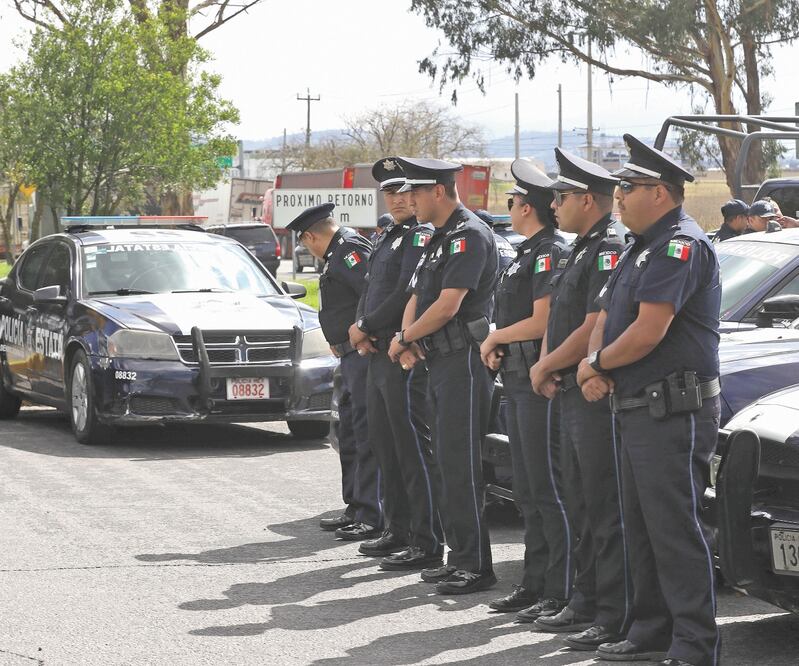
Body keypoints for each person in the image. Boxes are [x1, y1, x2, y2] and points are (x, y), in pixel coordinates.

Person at [577, 134, 721, 666]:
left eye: (628, 187)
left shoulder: (679, 245)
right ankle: (650, 631)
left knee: (676, 530)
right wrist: (595, 364)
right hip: (634, 405)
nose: (618, 196)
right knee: (639, 527)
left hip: (673, 411)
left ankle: (694, 645)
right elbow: (606, 320)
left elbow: (648, 331)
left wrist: (596, 366)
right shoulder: (638, 248)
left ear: (659, 193)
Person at [528, 149, 631, 651]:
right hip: (568, 387)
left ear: (587, 200)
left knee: (601, 506)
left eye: (562, 196)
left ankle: (610, 614)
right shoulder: (582, 247)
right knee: (580, 502)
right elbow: (559, 319)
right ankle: (585, 599)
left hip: (590, 392)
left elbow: (596, 324)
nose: (554, 204)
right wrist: (547, 364)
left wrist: (547, 364)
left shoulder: (608, 247)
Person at [387, 156, 498, 594]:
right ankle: (460, 557)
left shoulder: (468, 235)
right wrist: (408, 337)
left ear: (438, 191)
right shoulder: (438, 238)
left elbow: (450, 304)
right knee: (447, 465)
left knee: (461, 466)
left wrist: (405, 337)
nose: (407, 200)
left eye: (414, 192)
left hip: (464, 364)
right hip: (437, 360)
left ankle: (476, 565)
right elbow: (418, 293)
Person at [478, 159, 572, 615]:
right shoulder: (526, 251)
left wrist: (495, 338)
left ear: (528, 207)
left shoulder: (550, 251)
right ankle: (535, 583)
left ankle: (558, 588)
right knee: (528, 489)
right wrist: (500, 344)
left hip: (536, 380)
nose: (508, 205)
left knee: (545, 487)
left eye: (512, 200)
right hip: (515, 377)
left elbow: (543, 320)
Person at [348, 157, 444, 570]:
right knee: (385, 443)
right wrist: (362, 327)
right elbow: (371, 288)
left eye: (405, 191)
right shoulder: (389, 234)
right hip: (378, 349)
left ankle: (425, 540)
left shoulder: (420, 237)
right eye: (390, 192)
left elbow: (409, 291)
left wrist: (368, 325)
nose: (398, 199)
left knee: (411, 449)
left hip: (401, 351)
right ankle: (397, 528)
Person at [285, 203, 382, 540]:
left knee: (368, 434)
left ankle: (373, 513)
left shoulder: (350, 250)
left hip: (362, 354)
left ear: (312, 236)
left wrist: (361, 329)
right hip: (347, 355)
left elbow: (372, 295)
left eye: (305, 242)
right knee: (350, 434)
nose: (307, 249)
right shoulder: (337, 255)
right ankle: (356, 506)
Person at [474, 209, 516, 273]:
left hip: (500, 280)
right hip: (513, 277)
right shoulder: (503, 240)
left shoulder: (481, 240)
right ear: (492, 227)